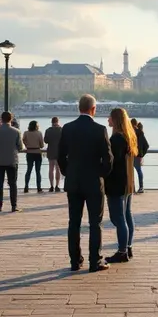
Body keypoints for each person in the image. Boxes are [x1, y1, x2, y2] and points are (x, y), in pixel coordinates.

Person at [58, 94, 114, 272]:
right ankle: (94, 260)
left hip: (73, 181)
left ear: (78, 108)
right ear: (94, 109)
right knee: (95, 223)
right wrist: (101, 174)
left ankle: (75, 261)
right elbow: (108, 158)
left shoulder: (67, 128)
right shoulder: (99, 129)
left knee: (73, 222)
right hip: (93, 181)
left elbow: (60, 156)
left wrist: (68, 172)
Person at [104, 107, 138, 264]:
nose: (107, 120)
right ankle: (128, 246)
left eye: (110, 118)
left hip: (117, 182)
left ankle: (122, 251)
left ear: (116, 120)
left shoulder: (116, 139)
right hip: (129, 181)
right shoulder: (130, 136)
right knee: (127, 215)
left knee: (117, 218)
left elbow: (112, 162)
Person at [0, 111, 23, 212]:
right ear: (11, 119)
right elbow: (20, 147)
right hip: (12, 160)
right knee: (12, 183)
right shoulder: (16, 132)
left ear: (1, 119)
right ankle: (14, 205)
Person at [23, 120, 45, 194]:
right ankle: (39, 188)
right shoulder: (39, 133)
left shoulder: (26, 133)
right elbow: (42, 145)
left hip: (29, 152)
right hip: (37, 153)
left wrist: (27, 145)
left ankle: (26, 187)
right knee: (38, 171)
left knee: (28, 170)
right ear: (36, 126)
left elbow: (23, 140)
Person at [44, 117, 64, 193]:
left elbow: (45, 141)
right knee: (58, 169)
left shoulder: (48, 130)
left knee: (51, 169)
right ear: (58, 122)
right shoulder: (62, 130)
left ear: (51, 122)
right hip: (59, 152)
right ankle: (57, 186)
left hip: (50, 151)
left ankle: (51, 186)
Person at [131, 119, 149, 194]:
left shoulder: (130, 132)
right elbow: (146, 145)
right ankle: (141, 187)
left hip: (131, 155)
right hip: (138, 155)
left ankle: (132, 187)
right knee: (139, 171)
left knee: (131, 172)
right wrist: (141, 154)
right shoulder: (140, 133)